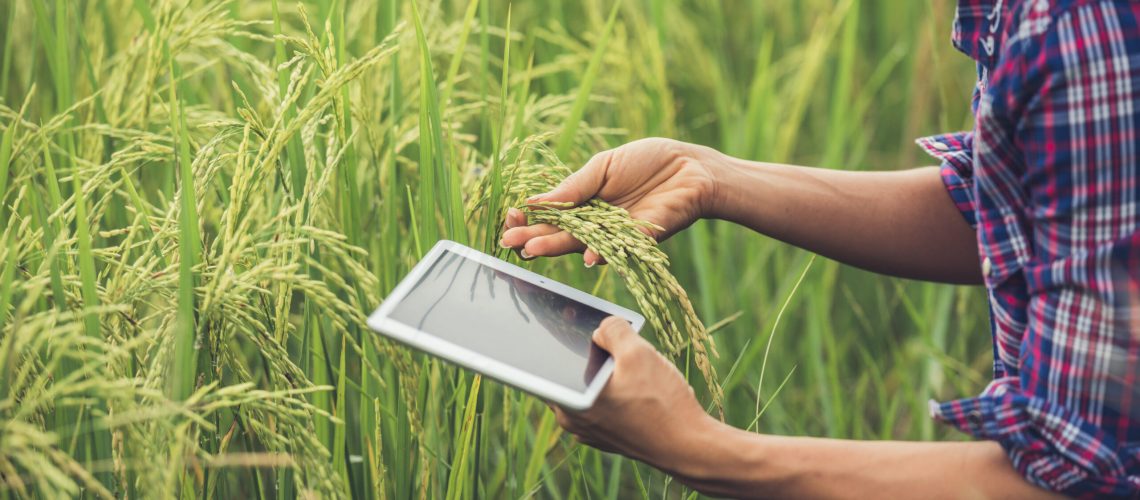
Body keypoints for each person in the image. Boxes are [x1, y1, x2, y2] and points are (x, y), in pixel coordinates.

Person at [499, 0, 1140, 497]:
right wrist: (709, 175)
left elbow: (1074, 484)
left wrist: (695, 447)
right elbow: (1028, 208)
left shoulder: (1078, 22)